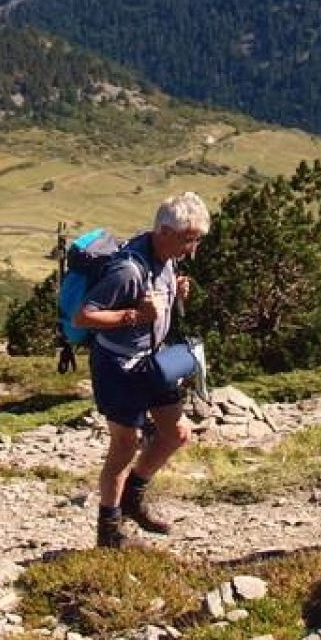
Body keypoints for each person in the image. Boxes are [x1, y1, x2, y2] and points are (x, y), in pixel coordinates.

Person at [76, 191, 213, 549]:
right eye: (189, 240)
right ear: (164, 231)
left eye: (196, 240)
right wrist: (134, 316)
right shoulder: (127, 270)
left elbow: (158, 305)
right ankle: (109, 531)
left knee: (176, 434)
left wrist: (176, 295)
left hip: (151, 361)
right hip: (118, 367)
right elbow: (85, 316)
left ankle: (132, 499)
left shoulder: (165, 257)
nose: (193, 249)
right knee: (125, 446)